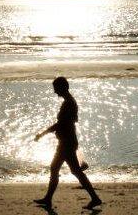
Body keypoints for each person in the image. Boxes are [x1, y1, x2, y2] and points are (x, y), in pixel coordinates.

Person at [33, 77, 102, 209]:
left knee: (63, 169)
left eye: (56, 89)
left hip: (66, 144)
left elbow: (60, 124)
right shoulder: (70, 102)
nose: (54, 92)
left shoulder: (68, 103)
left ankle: (95, 198)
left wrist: (42, 134)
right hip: (67, 142)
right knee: (69, 170)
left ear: (62, 88)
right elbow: (71, 121)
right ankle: (94, 198)